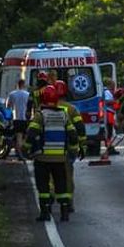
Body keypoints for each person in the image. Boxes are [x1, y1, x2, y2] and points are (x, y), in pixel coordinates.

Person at [24, 85, 83, 222]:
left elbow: (31, 134)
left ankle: (45, 212)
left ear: (43, 99)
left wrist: (25, 149)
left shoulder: (40, 115)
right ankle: (64, 212)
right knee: (61, 185)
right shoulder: (64, 115)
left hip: (42, 158)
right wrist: (74, 151)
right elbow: (73, 135)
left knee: (43, 186)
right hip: (60, 159)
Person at [6, 79, 31, 160]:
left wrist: (8, 117)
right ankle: (20, 152)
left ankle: (20, 154)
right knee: (23, 136)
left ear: (17, 84)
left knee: (18, 136)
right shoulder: (27, 94)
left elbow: (8, 106)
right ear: (23, 85)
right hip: (25, 119)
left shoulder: (12, 94)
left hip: (16, 118)